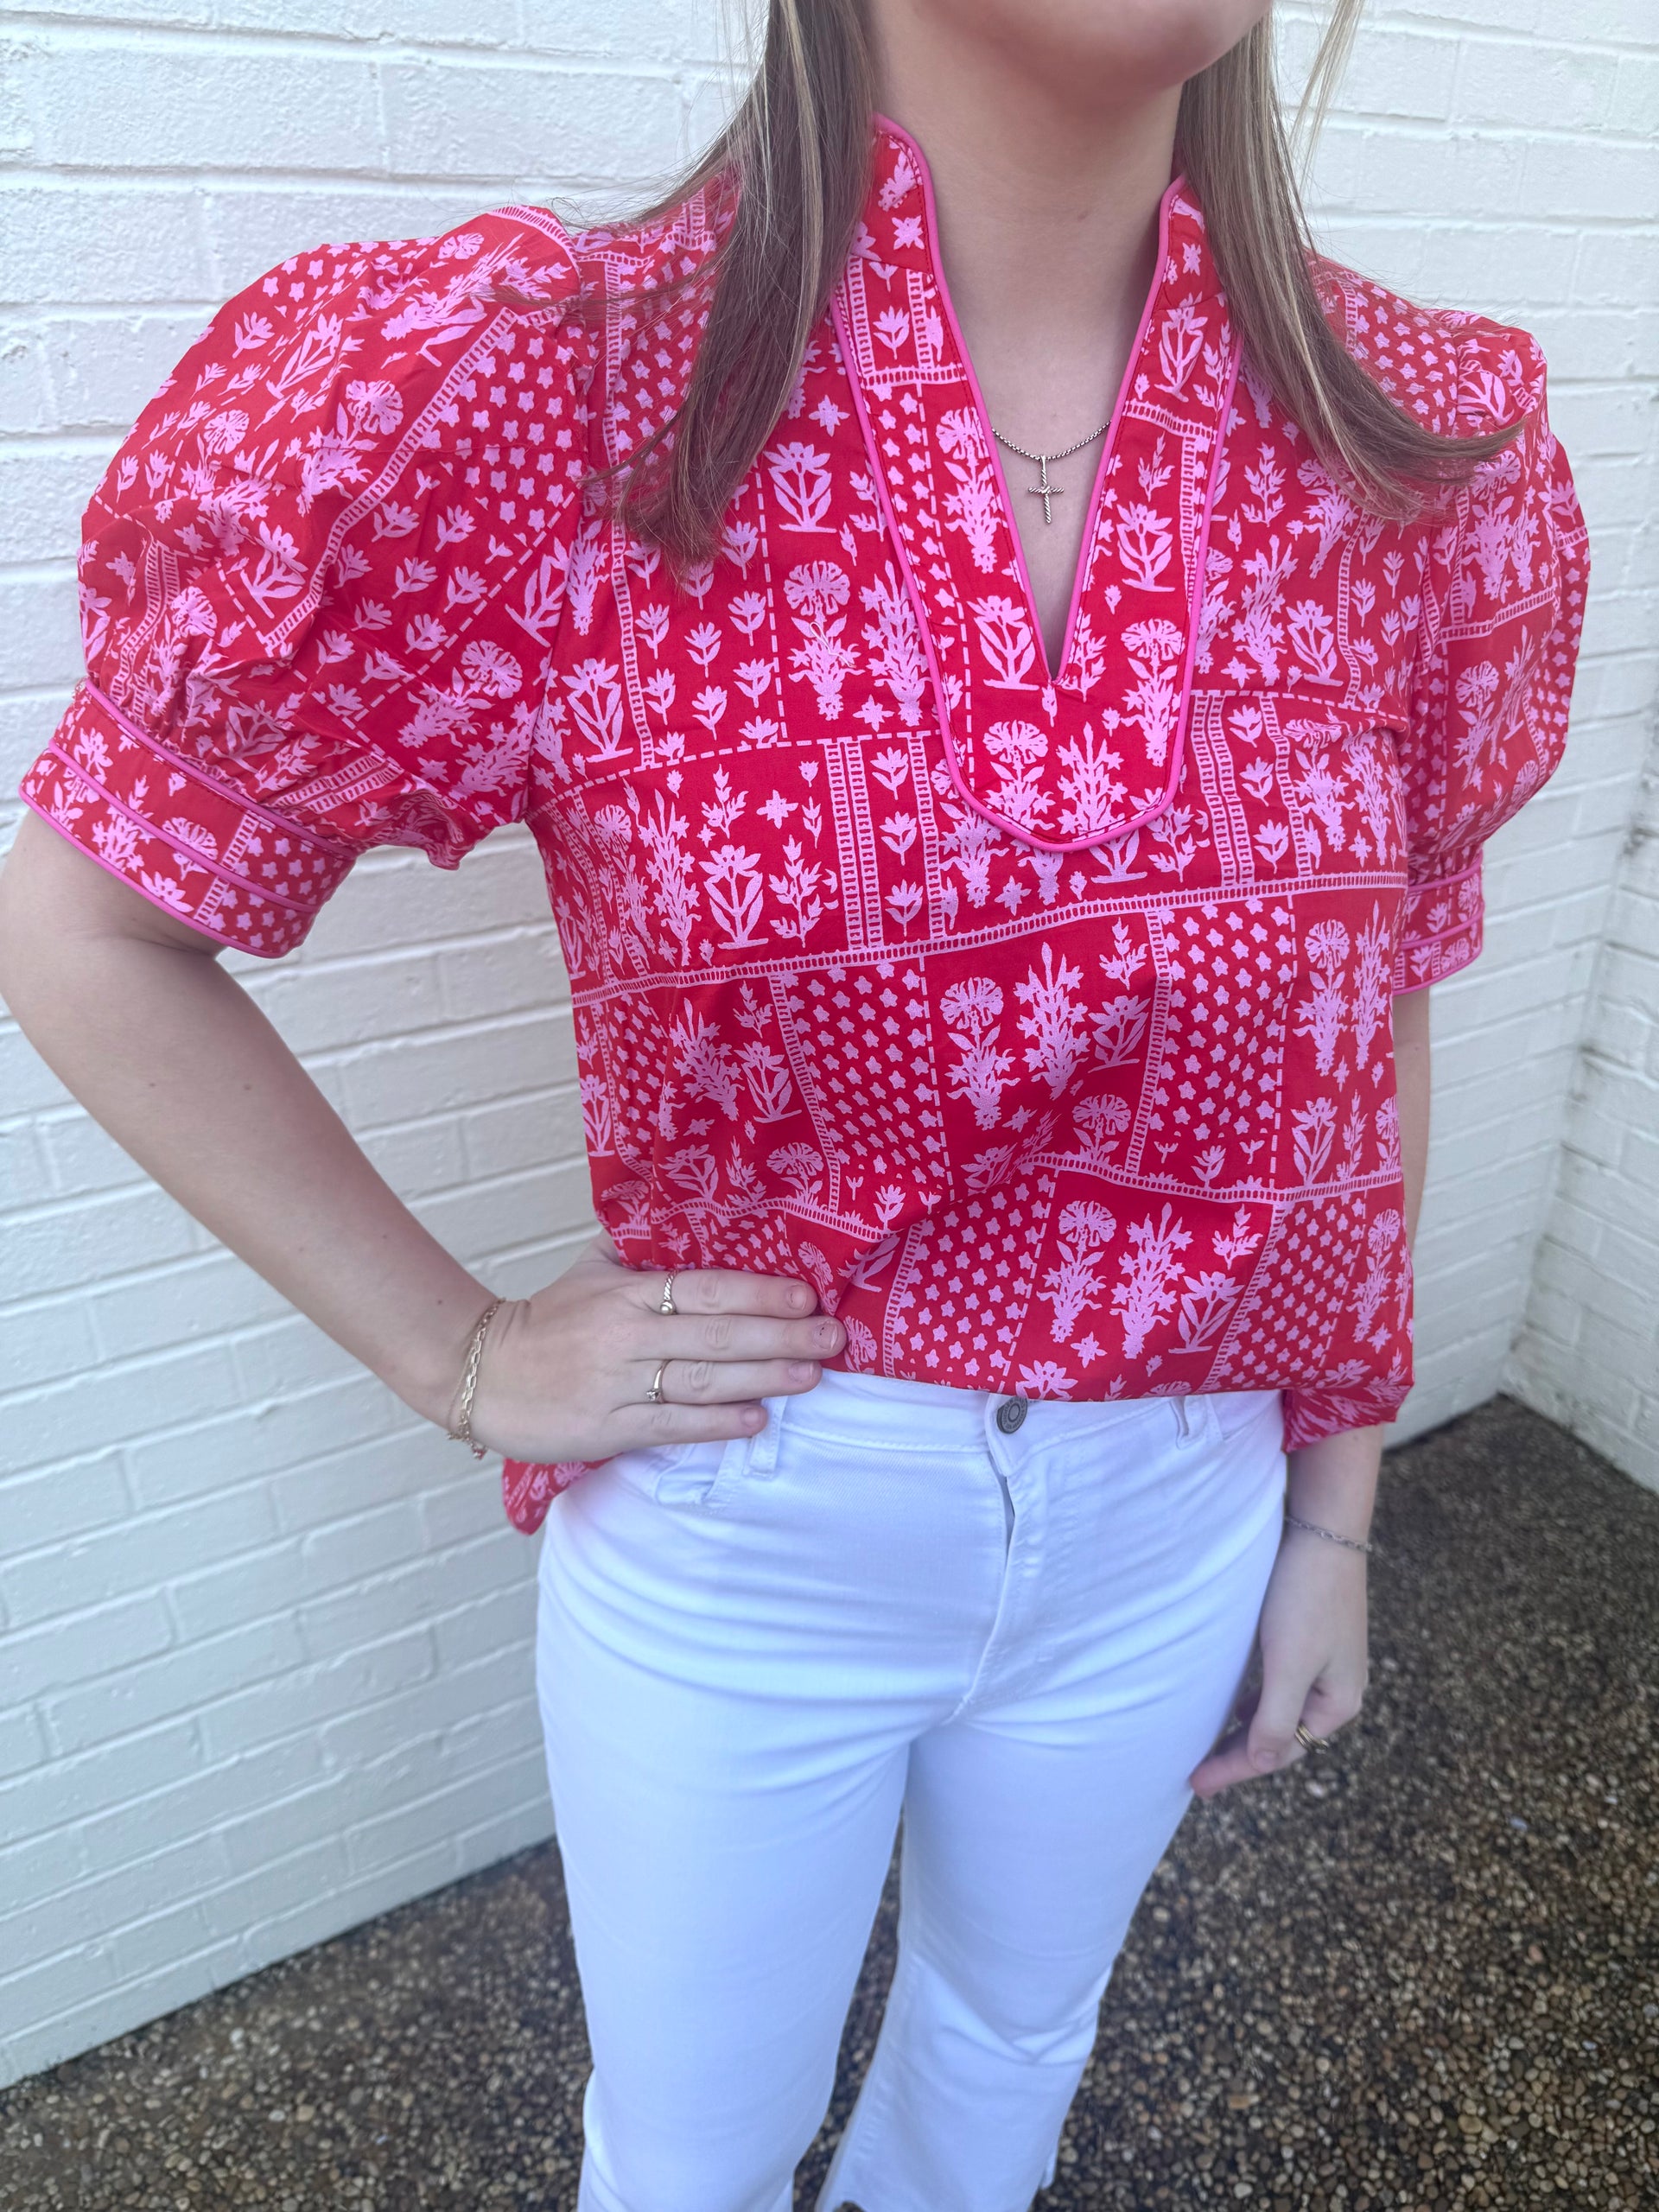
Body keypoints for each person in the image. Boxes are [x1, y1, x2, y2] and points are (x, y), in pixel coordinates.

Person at [0, 1, 1587, 2207]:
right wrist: (460, 1350)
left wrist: (1333, 1509)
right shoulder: (558, 399)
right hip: (755, 1521)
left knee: (1011, 2051)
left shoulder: (1400, 453)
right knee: (692, 2154)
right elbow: (86, 918)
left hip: (1181, 1506)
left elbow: (1371, 1017)